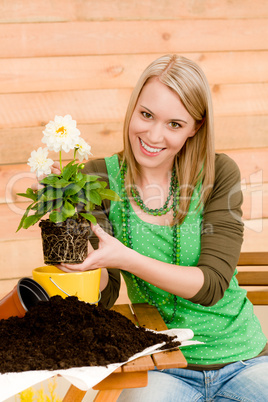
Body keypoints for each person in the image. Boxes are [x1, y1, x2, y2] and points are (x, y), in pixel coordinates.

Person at [55, 54, 267, 400]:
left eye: (175, 124)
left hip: (244, 358)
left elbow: (211, 285)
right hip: (165, 365)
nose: (153, 135)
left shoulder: (217, 174)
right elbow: (104, 294)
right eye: (146, 115)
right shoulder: (99, 176)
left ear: (195, 127)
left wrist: (125, 258)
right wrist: (79, 259)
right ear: (133, 108)